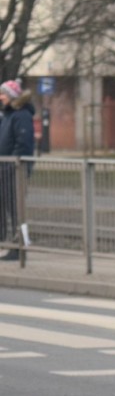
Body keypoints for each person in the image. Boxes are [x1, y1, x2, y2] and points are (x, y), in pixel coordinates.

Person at [0, 78, 33, 261]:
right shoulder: (7, 115)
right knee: (7, 208)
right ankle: (11, 245)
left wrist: (13, 163)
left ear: (11, 96)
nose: (0, 97)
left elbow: (23, 145)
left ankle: (19, 248)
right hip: (4, 170)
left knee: (16, 211)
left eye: (3, 94)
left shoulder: (20, 115)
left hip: (14, 171)